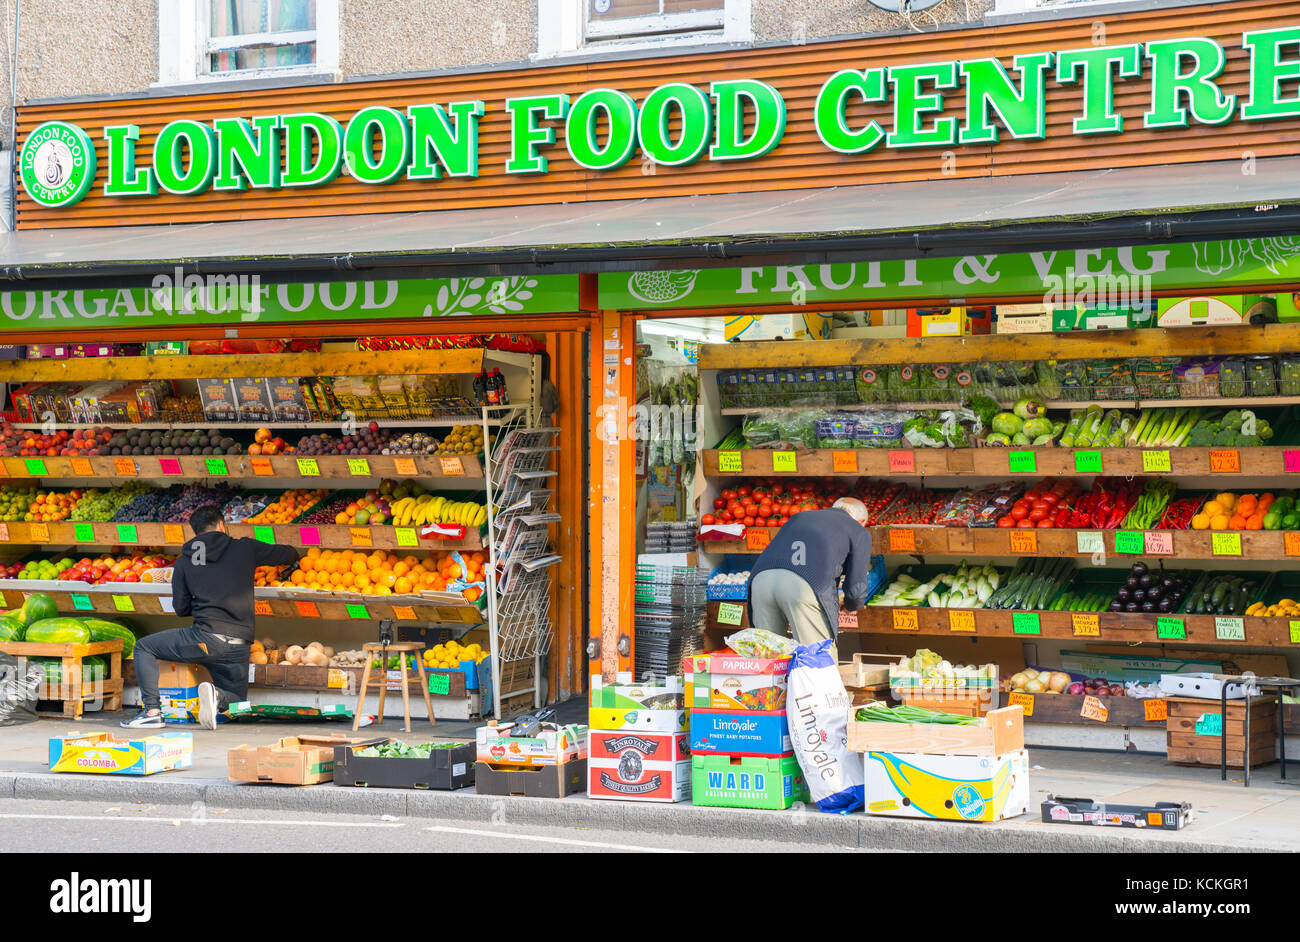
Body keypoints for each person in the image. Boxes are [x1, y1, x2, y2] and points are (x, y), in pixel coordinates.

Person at [121, 505, 298, 730]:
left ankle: (152, 711)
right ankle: (216, 695)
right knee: (237, 702)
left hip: (204, 639)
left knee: (144, 647)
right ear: (222, 525)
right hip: (239, 644)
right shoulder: (245, 548)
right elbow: (288, 553)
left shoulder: (185, 561)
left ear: (195, 533)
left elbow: (181, 608)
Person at [746, 497, 872, 662]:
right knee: (817, 660)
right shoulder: (858, 530)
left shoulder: (799, 517)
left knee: (767, 659)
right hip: (803, 586)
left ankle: (767, 688)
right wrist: (851, 605)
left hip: (760, 581)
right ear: (861, 521)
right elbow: (857, 588)